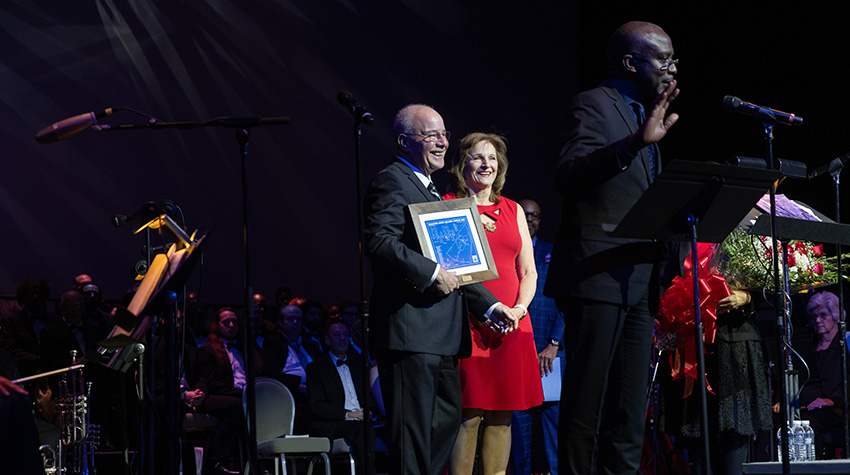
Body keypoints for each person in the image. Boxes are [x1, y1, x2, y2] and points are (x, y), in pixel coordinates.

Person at [544, 21, 680, 474]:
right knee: (587, 404)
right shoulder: (594, 105)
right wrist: (634, 143)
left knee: (628, 411)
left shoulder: (644, 112)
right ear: (630, 62)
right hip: (597, 274)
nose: (671, 69)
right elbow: (570, 175)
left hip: (639, 279)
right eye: (663, 59)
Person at [363, 104, 517, 475]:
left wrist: (491, 307)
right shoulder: (393, 180)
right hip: (410, 332)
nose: (441, 142)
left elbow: (458, 266)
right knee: (413, 435)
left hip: (444, 336)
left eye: (444, 134)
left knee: (443, 425)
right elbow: (378, 241)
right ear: (404, 141)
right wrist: (431, 272)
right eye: (430, 135)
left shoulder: (433, 191)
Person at [444, 133, 542, 475]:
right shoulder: (449, 206)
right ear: (462, 165)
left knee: (502, 416)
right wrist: (487, 311)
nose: (486, 164)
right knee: (468, 415)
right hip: (469, 324)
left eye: (492, 158)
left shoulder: (513, 209)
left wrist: (519, 309)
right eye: (477, 157)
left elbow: (528, 270)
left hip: (513, 323)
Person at [511, 199, 565, 475]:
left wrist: (555, 343)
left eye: (535, 216)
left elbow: (565, 303)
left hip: (549, 352)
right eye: (525, 214)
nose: (530, 219)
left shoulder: (552, 254)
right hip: (516, 351)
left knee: (552, 423)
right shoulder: (507, 254)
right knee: (518, 426)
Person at [306, 319, 376, 475]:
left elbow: (368, 395)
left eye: (346, 334)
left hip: (361, 418)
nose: (343, 338)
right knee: (362, 429)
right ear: (327, 340)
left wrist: (368, 411)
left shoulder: (359, 363)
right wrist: (348, 414)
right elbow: (317, 405)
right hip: (334, 422)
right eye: (337, 335)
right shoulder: (316, 368)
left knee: (393, 428)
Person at [196, 308, 255, 475]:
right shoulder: (208, 350)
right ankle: (217, 460)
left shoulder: (246, 349)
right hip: (217, 396)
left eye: (235, 321)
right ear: (217, 326)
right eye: (226, 322)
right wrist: (242, 393)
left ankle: (255, 460)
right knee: (237, 406)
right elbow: (212, 383)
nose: (231, 325)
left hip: (245, 395)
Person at [799, 291, 848, 458]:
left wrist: (832, 401)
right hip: (812, 407)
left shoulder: (846, 345)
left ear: (835, 315)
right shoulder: (810, 349)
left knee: (808, 423)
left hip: (840, 409)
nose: (817, 320)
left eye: (822, 315)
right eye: (814, 317)